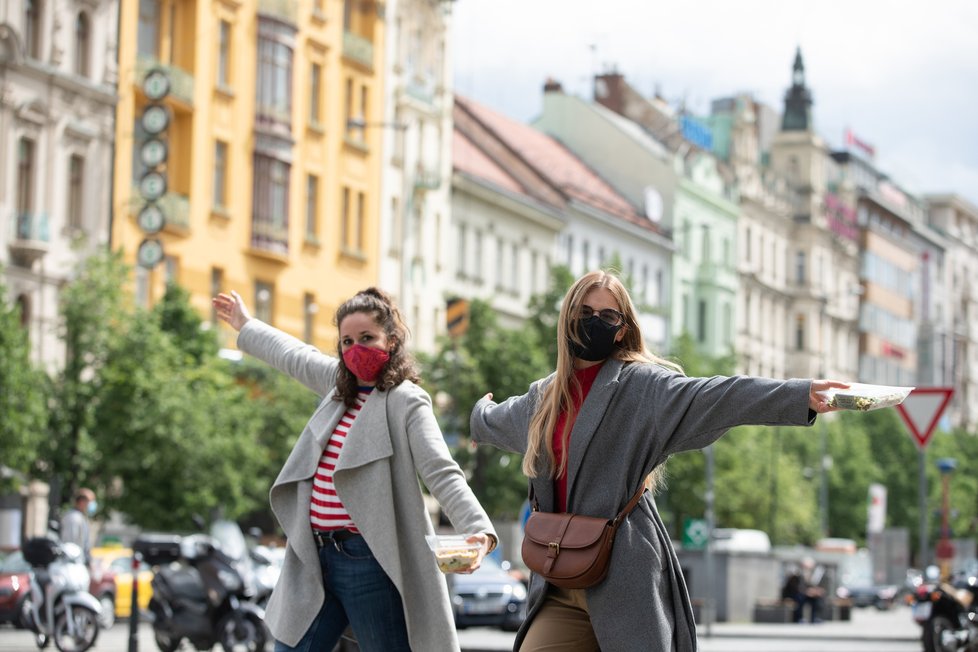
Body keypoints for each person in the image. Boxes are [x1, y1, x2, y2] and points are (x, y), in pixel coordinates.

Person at [469, 270, 849, 652]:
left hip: (624, 580)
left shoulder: (643, 387)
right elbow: (495, 420)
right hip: (558, 583)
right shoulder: (544, 397)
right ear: (567, 317)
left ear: (621, 330)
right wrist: (478, 416)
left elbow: (718, 395)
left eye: (607, 317)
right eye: (584, 312)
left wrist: (799, 395)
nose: (594, 323)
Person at [212, 288, 497, 652]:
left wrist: (479, 531)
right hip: (313, 558)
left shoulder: (406, 400)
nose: (356, 349)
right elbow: (294, 355)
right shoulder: (337, 386)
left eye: (367, 338)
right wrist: (245, 324)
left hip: (368, 561)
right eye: (347, 341)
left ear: (391, 341)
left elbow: (442, 471)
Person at [60, 488, 96, 563]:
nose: (92, 505)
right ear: (82, 502)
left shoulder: (81, 518)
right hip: (72, 564)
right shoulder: (73, 518)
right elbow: (70, 544)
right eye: (91, 501)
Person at [790, 557, 828, 623]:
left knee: (819, 600)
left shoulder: (818, 574)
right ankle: (800, 618)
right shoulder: (798, 574)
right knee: (799, 598)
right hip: (803, 594)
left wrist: (816, 591)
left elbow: (823, 586)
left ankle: (816, 618)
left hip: (814, 594)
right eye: (805, 567)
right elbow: (796, 587)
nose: (807, 569)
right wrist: (806, 591)